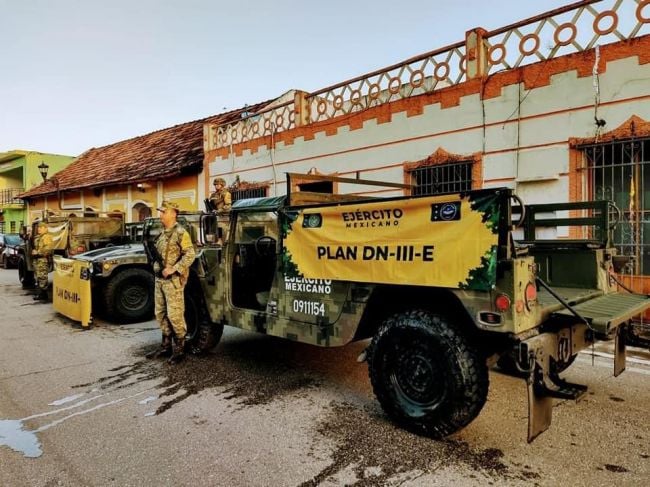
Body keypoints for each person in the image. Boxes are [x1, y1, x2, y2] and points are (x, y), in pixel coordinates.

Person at [147, 201, 196, 364]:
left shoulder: (181, 233)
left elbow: (190, 255)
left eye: (163, 212)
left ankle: (180, 350)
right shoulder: (162, 234)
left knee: (174, 315)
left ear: (174, 213)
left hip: (173, 281)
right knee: (160, 313)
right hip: (160, 280)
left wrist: (174, 269)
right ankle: (166, 346)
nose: (160, 215)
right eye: (160, 212)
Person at [32, 221, 53, 301]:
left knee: (42, 276)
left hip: (42, 259)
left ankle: (43, 294)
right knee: (37, 276)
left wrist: (38, 252)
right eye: (38, 228)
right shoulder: (39, 237)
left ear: (46, 228)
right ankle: (40, 293)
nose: (39, 229)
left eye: (41, 228)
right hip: (37, 259)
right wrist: (34, 251)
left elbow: (48, 249)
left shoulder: (47, 237)